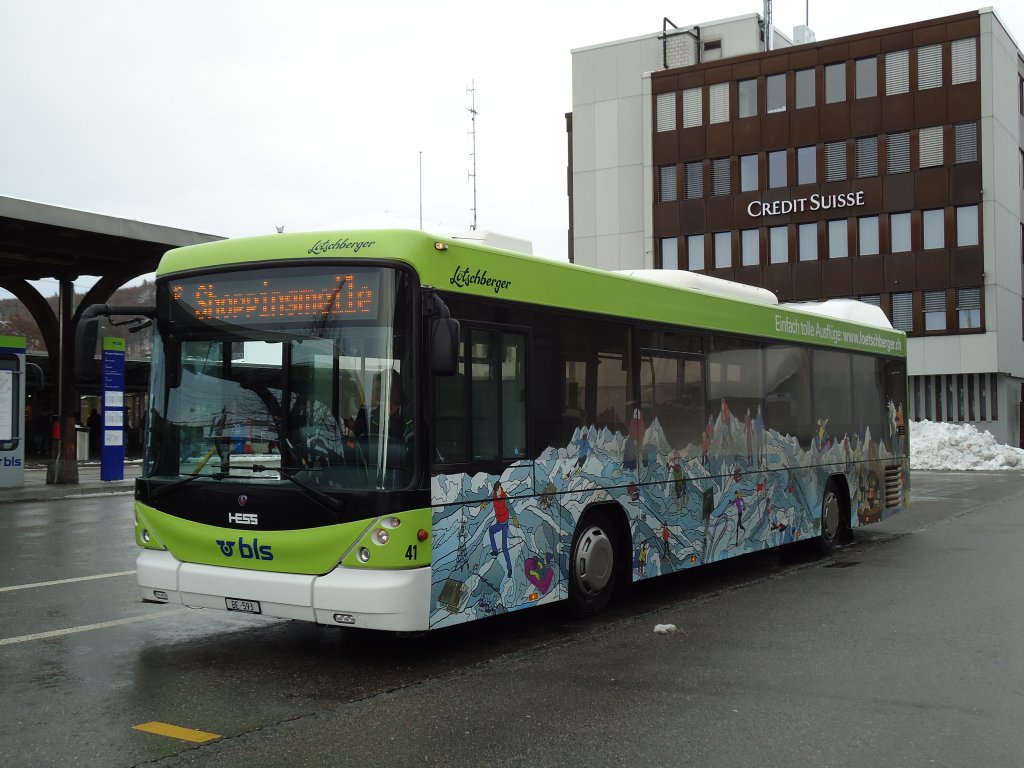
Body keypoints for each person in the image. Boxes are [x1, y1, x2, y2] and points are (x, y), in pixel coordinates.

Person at [352, 371, 411, 441]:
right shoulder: (370, 416)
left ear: (395, 390)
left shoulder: (410, 415)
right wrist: (362, 411)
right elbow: (359, 439)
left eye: (381, 389)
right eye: (375, 389)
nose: (376, 394)